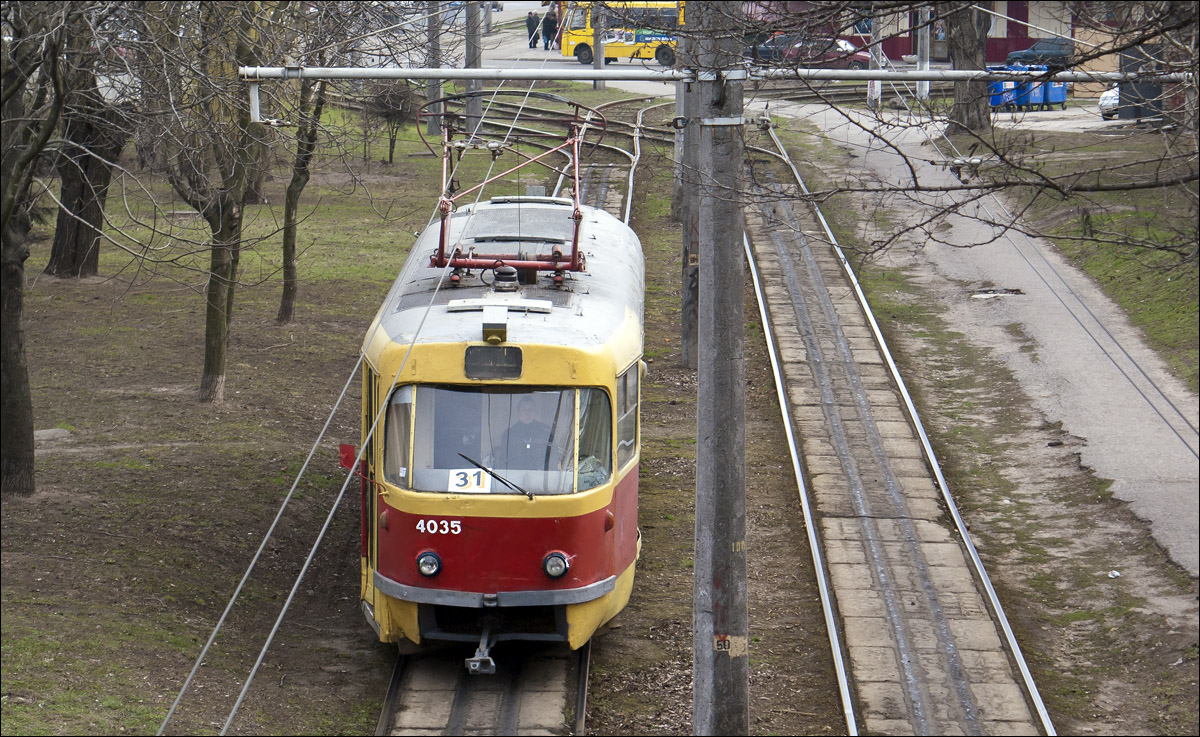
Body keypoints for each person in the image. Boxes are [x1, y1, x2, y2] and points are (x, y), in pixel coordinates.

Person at [496, 397, 553, 470]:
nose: (527, 412)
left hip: (540, 476)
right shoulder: (509, 434)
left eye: (531, 409)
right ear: (519, 412)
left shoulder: (545, 431)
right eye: (524, 409)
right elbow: (504, 460)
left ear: (535, 412)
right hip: (514, 475)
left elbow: (552, 457)